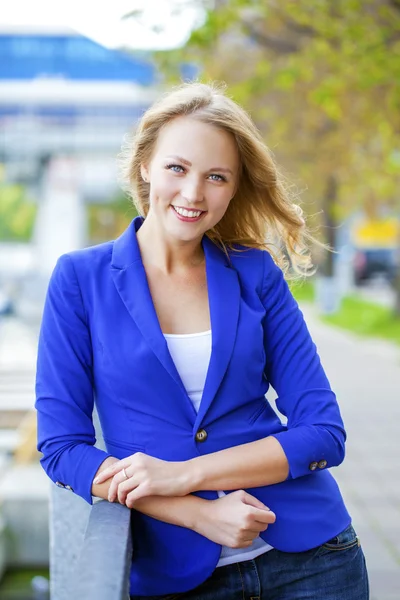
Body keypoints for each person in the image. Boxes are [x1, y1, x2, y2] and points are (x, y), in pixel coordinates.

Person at [35, 82, 369, 600]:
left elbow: (324, 432)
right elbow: (62, 448)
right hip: (176, 575)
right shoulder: (80, 280)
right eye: (177, 168)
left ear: (234, 189)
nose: (193, 194)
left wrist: (183, 473)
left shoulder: (254, 273)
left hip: (313, 563)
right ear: (145, 164)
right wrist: (197, 513)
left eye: (216, 177)